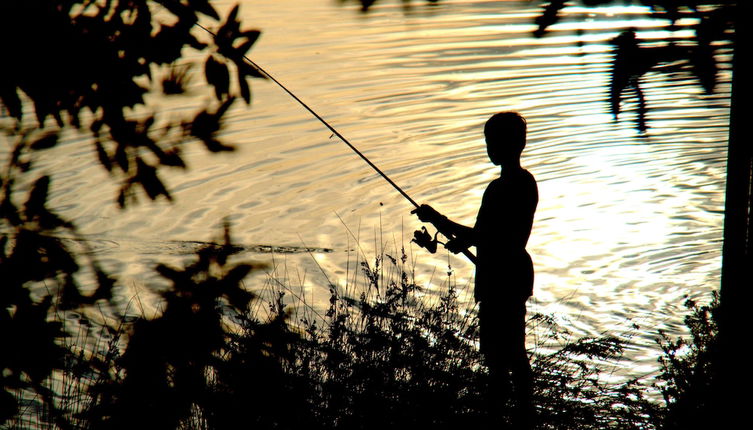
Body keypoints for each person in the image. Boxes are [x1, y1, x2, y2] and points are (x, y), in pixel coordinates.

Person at [412, 111, 538, 428]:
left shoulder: (503, 188)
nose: (488, 147)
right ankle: (521, 414)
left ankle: (505, 416)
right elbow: (485, 237)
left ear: (508, 144)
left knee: (502, 358)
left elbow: (483, 236)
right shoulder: (524, 182)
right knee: (511, 353)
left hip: (501, 277)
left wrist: (436, 218)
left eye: (491, 141)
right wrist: (460, 239)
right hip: (510, 272)